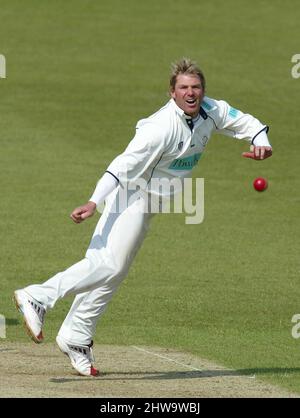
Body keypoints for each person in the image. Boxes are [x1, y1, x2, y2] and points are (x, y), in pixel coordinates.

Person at [13, 58, 272, 377]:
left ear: (202, 91)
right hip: (128, 196)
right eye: (183, 88)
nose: (191, 93)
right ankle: (38, 296)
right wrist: (95, 200)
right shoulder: (158, 129)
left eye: (195, 87)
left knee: (113, 270)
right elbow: (121, 166)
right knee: (107, 264)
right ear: (172, 93)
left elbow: (242, 121)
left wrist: (260, 140)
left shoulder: (210, 109)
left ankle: (76, 336)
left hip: (149, 204)